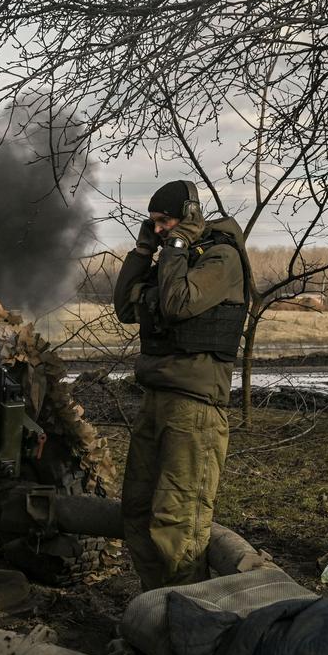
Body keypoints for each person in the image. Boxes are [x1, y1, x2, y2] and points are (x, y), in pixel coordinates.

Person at [113, 180, 249, 590]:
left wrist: (172, 249)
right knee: (137, 511)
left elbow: (176, 303)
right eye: (152, 223)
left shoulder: (221, 258)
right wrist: (142, 253)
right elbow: (124, 307)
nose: (158, 230)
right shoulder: (173, 260)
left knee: (179, 522)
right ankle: (153, 614)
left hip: (195, 410)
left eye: (165, 221)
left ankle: (186, 626)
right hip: (157, 399)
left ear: (189, 217)